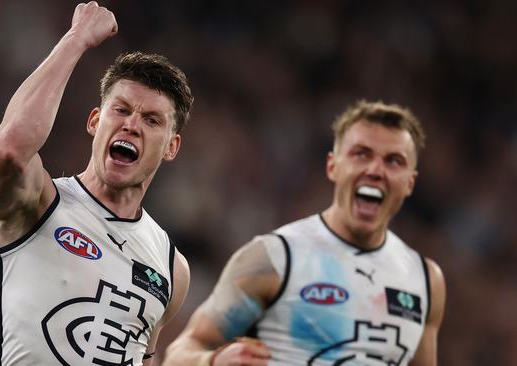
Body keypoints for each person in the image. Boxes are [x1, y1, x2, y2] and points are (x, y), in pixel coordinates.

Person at [0, 2, 193, 365]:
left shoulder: (172, 267)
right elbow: (10, 151)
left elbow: (142, 357)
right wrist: (75, 39)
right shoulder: (38, 204)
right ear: (95, 121)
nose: (132, 125)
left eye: (152, 120)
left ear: (171, 147)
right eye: (121, 109)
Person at [164, 100, 446, 366]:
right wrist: (210, 361)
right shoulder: (273, 258)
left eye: (394, 161)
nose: (375, 170)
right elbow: (178, 354)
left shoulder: (424, 279)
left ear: (410, 182)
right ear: (332, 165)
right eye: (362, 154)